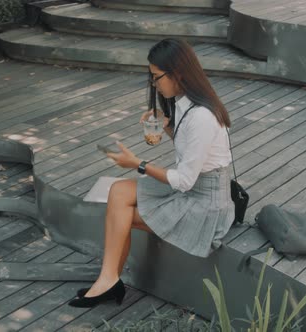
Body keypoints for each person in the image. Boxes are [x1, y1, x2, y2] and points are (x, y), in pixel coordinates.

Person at [68, 38, 235, 308]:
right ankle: (109, 279)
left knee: (122, 214)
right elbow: (192, 153)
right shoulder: (185, 104)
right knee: (119, 190)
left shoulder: (201, 116)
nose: (154, 84)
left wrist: (138, 164)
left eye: (157, 77)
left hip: (205, 206)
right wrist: (167, 126)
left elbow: (184, 180)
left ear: (177, 73)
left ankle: (109, 281)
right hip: (194, 190)